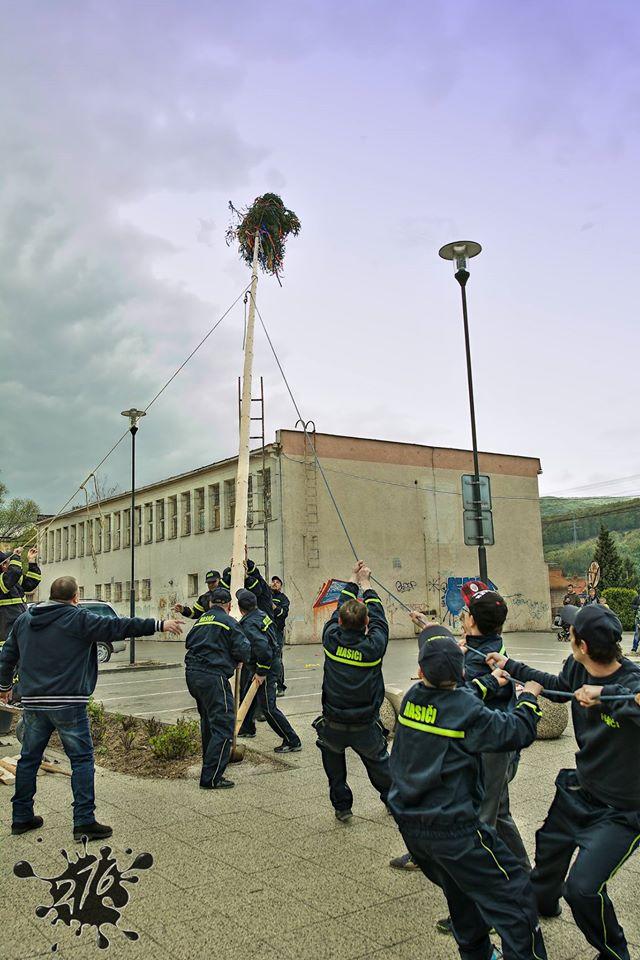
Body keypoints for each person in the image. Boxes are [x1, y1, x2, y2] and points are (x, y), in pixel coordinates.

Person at [487, 603, 640, 960]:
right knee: (548, 852)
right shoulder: (577, 666)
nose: (567, 633)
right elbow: (557, 687)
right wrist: (510, 666)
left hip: (623, 810)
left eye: (570, 631)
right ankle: (544, 903)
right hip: (581, 790)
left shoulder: (631, 683)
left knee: (582, 890)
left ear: (582, 644)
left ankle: (615, 954)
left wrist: (603, 696)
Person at [388, 624, 546, 960]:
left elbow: (456, 701)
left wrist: (490, 681)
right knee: (517, 898)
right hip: (456, 832)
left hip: (413, 828)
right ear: (461, 672)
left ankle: (478, 953)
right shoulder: (464, 710)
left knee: (463, 898)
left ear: (420, 672)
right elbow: (515, 731)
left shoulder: (412, 698)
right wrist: (529, 697)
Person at [0, 575, 182, 839]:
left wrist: (4, 686)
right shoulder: (78, 619)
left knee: (29, 759)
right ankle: (84, 821)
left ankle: (21, 817)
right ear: (75, 598)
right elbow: (119, 626)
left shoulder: (25, 620)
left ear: (51, 595)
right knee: (82, 760)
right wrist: (159, 624)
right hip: (69, 703)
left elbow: (7, 656)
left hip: (34, 703)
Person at [314, 561, 391, 822]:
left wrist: (352, 579)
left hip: (333, 721)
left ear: (339, 622)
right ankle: (393, 801)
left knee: (335, 772)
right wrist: (366, 583)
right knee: (380, 766)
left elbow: (340, 607)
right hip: (365, 723)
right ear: (366, 623)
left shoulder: (331, 640)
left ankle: (342, 808)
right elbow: (379, 617)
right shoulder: (374, 648)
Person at [184, 586, 251, 790]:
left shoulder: (200, 621)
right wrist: (238, 658)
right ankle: (211, 777)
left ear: (211, 603)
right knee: (223, 724)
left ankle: (209, 762)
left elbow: (189, 642)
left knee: (208, 722)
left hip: (193, 675)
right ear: (229, 606)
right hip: (213, 677)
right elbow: (243, 649)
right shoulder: (229, 622)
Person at [236, 589, 301, 753]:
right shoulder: (261, 614)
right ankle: (247, 727)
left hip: (266, 667)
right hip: (265, 663)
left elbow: (263, 649)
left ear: (240, 608)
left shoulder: (249, 624)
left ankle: (292, 740)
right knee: (248, 695)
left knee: (268, 707)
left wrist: (261, 672)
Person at [0, 547, 41, 647]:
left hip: (19, 632)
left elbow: (31, 583)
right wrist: (15, 556)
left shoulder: (11, 580)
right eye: (8, 562)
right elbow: (14, 572)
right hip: (6, 638)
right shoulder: (6, 580)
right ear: (2, 565)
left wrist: (31, 561)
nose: (10, 565)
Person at [270, 575, 290, 696]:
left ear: (281, 586)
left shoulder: (283, 599)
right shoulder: (267, 595)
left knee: (277, 659)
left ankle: (280, 686)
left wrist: (273, 606)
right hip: (267, 631)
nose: (275, 583)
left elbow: (283, 613)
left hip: (277, 632)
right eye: (273, 581)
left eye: (277, 582)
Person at [631, 591, 640, 656]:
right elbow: (632, 605)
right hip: (638, 618)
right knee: (637, 633)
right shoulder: (637, 597)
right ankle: (634, 648)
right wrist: (638, 607)